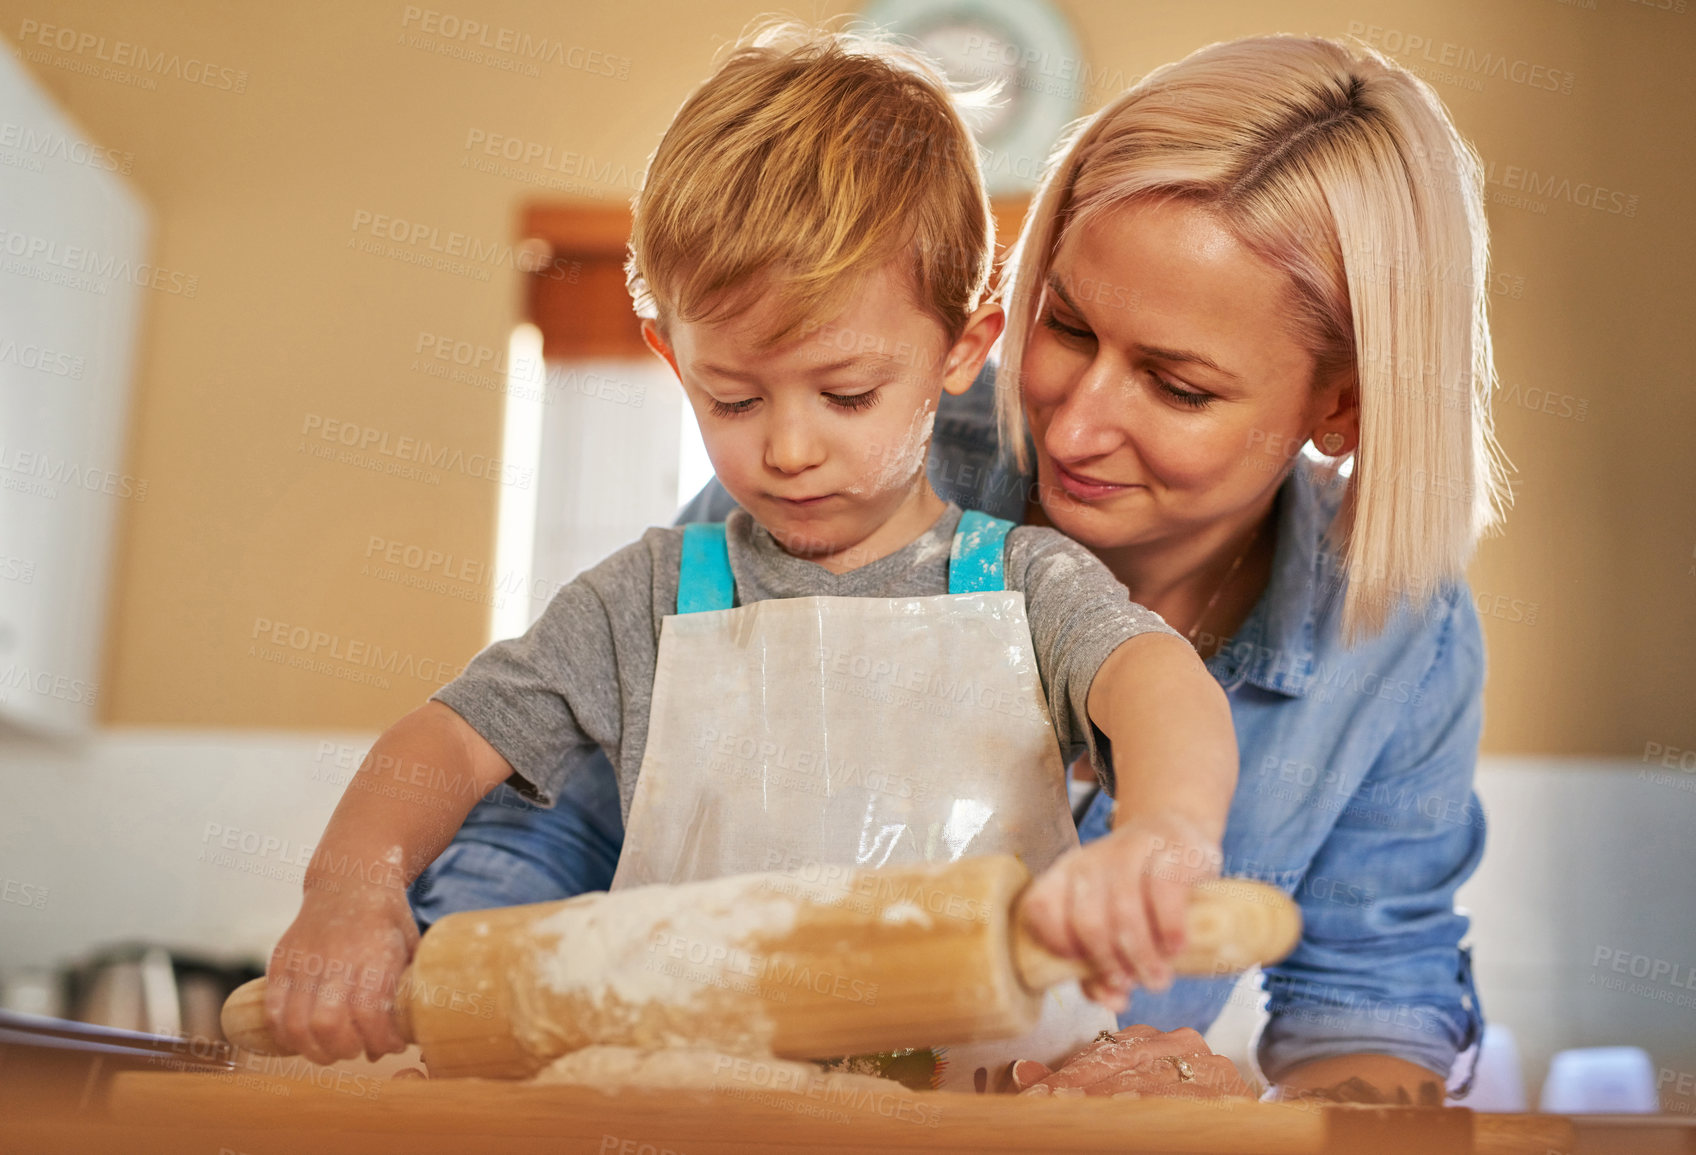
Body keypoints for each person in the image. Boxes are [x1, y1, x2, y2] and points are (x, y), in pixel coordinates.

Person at [417, 32, 1506, 1104]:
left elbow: (1370, 1011)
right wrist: (431, 1022)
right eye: (1068, 326)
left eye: (1178, 388)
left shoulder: (1401, 641)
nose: (1074, 429)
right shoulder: (861, 459)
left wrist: (1203, 1093)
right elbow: (552, 821)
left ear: (1345, 404)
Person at [262, 23, 1242, 1084]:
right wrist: (350, 892)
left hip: (972, 1122)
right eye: (730, 397)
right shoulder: (649, 600)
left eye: (846, 394)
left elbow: (1155, 678)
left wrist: (1166, 831)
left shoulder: (1023, 584)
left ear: (963, 347)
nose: (786, 448)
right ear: (668, 354)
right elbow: (446, 743)